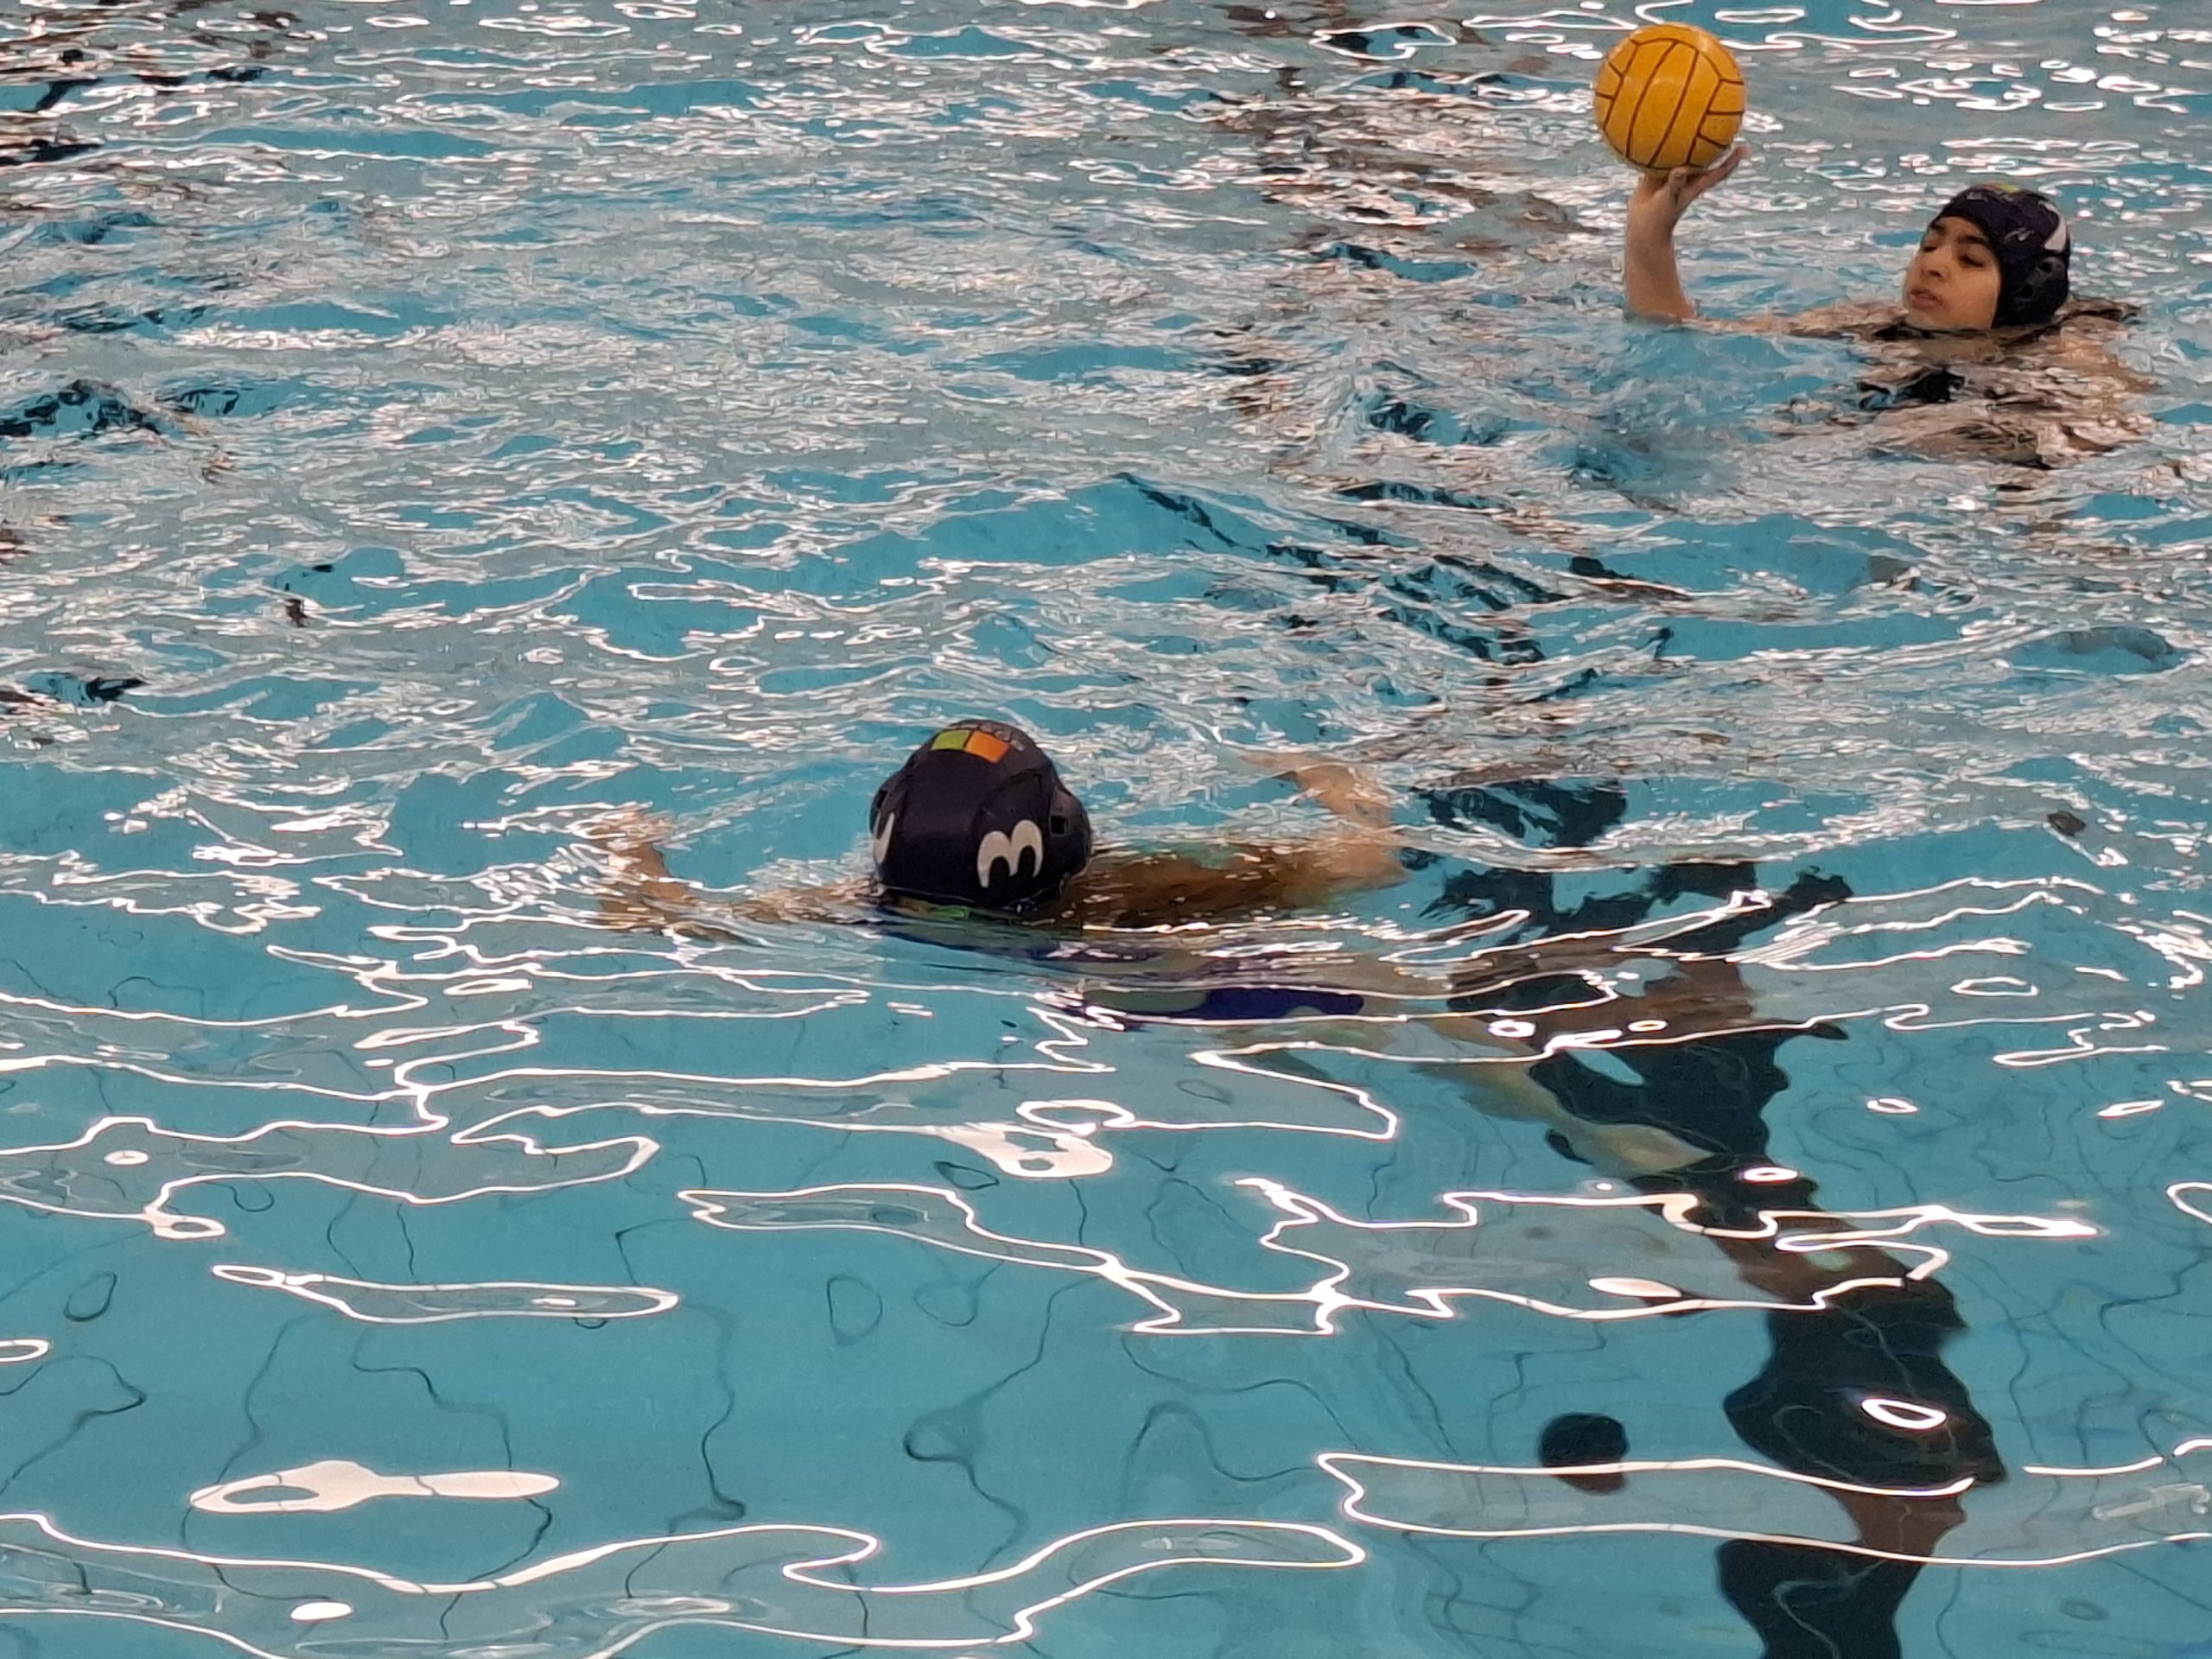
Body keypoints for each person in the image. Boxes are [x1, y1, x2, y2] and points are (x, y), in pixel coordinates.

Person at [1624, 154, 2149, 465]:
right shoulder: (1869, 323)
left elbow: (2111, 437)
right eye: (1929, 245)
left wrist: (1942, 436)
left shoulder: (2067, 356)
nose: (1934, 265)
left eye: (1971, 260)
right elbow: (1682, 333)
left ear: (2027, 292)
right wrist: (1651, 235)